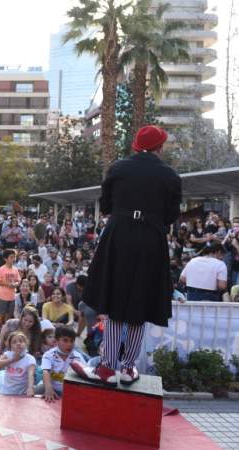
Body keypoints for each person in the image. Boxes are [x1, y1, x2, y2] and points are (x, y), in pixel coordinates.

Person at [79, 125, 182, 386]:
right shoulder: (169, 175)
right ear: (159, 146)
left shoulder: (118, 168)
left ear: (136, 144)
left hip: (119, 233)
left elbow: (106, 205)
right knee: (140, 304)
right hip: (151, 237)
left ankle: (106, 367)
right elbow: (171, 216)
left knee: (114, 303)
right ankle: (127, 368)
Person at [38, 326, 83, 402]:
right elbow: (46, 371)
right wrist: (49, 389)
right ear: (57, 341)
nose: (69, 344)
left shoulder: (78, 357)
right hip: (51, 388)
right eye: (65, 340)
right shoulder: (48, 355)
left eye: (72, 341)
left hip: (71, 392)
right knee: (34, 392)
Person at [0, 331, 36, 396]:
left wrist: (30, 388)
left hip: (21, 393)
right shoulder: (7, 354)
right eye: (14, 342)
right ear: (10, 346)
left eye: (21, 341)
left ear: (26, 343)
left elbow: (31, 375)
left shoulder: (30, 358)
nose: (18, 344)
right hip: (6, 391)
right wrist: (13, 359)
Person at [0, 249, 20, 323]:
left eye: (14, 257)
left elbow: (18, 280)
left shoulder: (15, 269)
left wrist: (16, 284)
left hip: (12, 297)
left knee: (9, 317)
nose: (14, 259)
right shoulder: (1, 269)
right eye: (11, 257)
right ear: (5, 259)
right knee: (1, 316)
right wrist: (8, 284)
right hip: (2, 297)